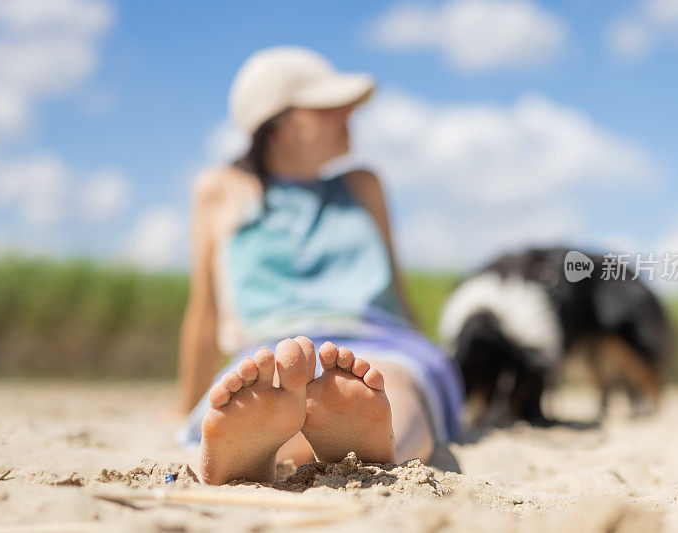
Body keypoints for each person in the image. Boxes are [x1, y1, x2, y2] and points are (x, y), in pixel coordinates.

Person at [176, 46, 463, 485]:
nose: (348, 111)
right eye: (329, 105)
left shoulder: (362, 185)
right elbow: (205, 311)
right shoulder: (222, 190)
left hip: (375, 335)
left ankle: (363, 443)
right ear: (281, 124)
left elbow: (397, 292)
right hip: (271, 347)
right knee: (271, 383)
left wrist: (421, 350)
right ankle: (265, 447)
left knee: (390, 382)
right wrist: (183, 403)